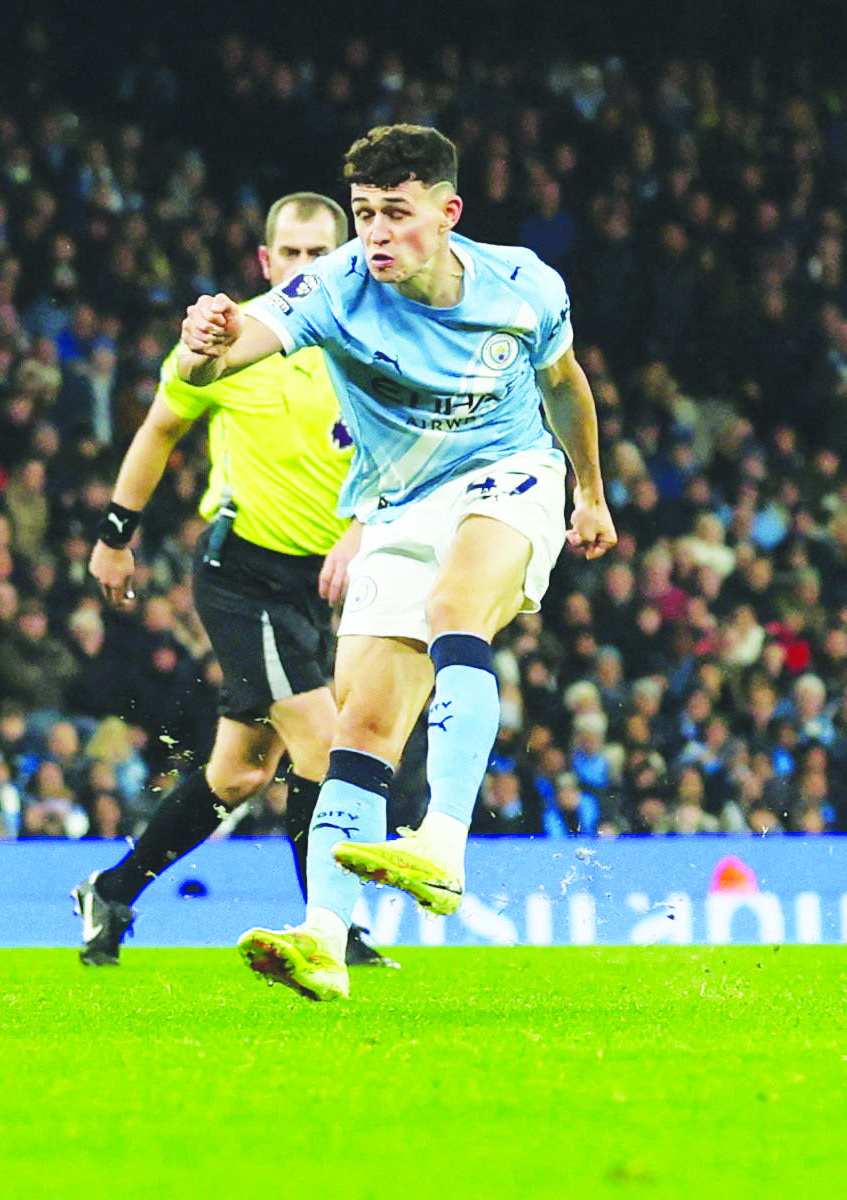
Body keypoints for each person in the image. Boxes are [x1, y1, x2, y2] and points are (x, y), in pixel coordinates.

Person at [173, 125, 613, 1001]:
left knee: (454, 610)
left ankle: (442, 840)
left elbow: (563, 384)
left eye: (396, 213)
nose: (376, 232)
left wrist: (590, 494)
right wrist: (203, 340)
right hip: (398, 506)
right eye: (365, 212)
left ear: (447, 213)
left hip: (509, 475)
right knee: (360, 728)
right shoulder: (333, 289)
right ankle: (323, 940)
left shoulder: (523, 285)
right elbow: (228, 351)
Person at [74, 192, 398, 971]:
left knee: (239, 772)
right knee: (323, 742)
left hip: (317, 585)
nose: (303, 266)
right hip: (243, 575)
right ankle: (330, 929)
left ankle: (111, 890)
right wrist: (115, 535)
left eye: (318, 253)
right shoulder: (234, 339)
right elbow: (160, 426)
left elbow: (401, 451)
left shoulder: (374, 337)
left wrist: (361, 529)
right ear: (264, 261)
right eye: (289, 253)